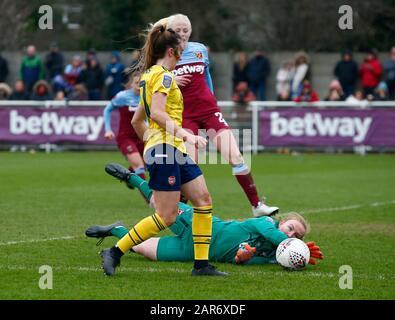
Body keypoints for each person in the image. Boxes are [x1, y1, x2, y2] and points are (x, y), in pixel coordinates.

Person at [100, 23, 227, 277]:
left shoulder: (150, 77)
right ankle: (115, 251)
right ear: (172, 51)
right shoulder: (165, 77)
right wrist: (180, 134)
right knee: (167, 215)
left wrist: (151, 143)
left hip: (170, 149)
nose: (183, 53)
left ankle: (201, 266)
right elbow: (156, 113)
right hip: (168, 149)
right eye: (181, 49)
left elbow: (138, 120)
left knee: (203, 200)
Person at [86, 166, 324, 266]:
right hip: (199, 226)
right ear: (283, 222)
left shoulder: (273, 255)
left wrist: (243, 258)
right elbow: (274, 235)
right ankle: (132, 178)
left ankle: (115, 230)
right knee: (161, 202)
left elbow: (242, 260)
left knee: (139, 248)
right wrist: (293, 246)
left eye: (296, 235)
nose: (291, 234)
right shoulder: (267, 224)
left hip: (193, 251)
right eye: (291, 227)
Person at [164, 14, 278, 217]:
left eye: (185, 29)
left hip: (209, 111)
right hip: (184, 115)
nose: (182, 34)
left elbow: (206, 74)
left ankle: (257, 206)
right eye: (178, 30)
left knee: (235, 156)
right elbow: (153, 80)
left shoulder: (199, 49)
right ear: (170, 31)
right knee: (190, 166)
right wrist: (171, 78)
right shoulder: (165, 53)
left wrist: (212, 96)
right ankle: (176, 211)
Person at [103, 72, 146, 184]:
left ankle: (128, 175)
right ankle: (150, 200)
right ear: (131, 84)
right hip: (126, 138)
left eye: (142, 83)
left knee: (151, 164)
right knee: (139, 167)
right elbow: (107, 109)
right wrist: (108, 129)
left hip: (143, 137)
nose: (138, 86)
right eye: (136, 83)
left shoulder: (147, 97)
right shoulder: (123, 96)